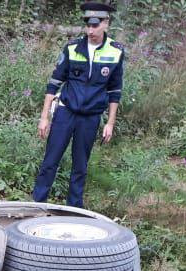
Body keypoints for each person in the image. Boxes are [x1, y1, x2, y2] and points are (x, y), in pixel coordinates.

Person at [31, 3, 124, 208]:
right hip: (65, 112)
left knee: (80, 166)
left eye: (95, 25)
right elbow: (54, 83)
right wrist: (44, 117)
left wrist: (110, 122)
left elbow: (115, 90)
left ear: (106, 23)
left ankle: (74, 210)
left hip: (90, 118)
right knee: (50, 161)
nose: (90, 30)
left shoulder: (116, 52)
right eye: (87, 25)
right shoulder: (72, 48)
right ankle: (37, 206)